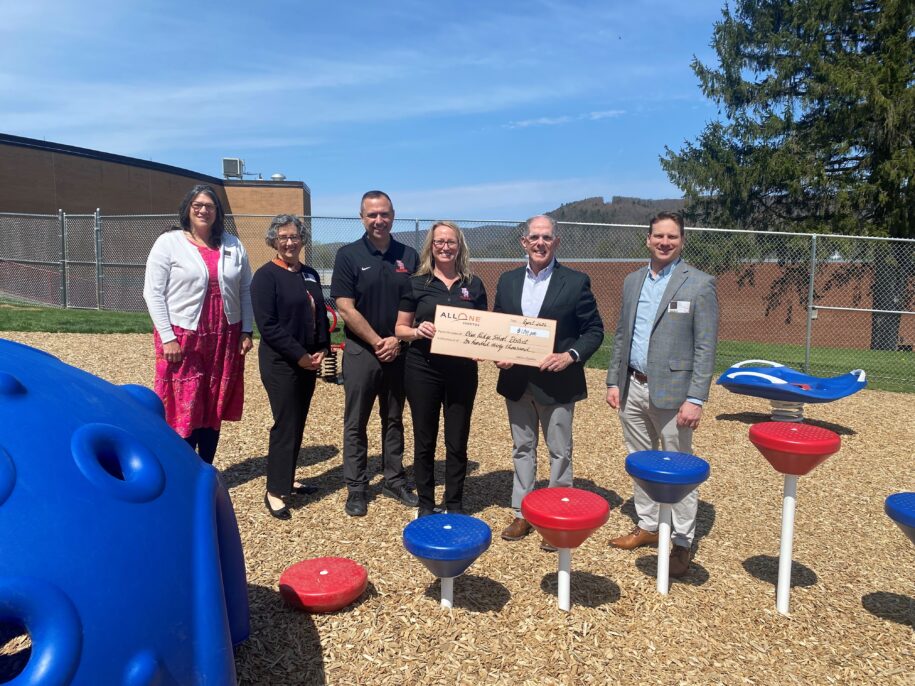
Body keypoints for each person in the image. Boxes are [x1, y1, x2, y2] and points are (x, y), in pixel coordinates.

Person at [606, 211, 719, 578]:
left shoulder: (699, 284)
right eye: (658, 236)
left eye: (672, 237)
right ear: (648, 239)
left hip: (674, 394)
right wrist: (613, 381)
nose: (664, 242)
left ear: (682, 240)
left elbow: (705, 347)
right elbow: (622, 336)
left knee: (678, 468)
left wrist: (696, 398)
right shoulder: (632, 281)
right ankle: (649, 527)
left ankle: (682, 543)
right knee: (640, 464)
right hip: (633, 386)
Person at [493, 215, 604, 550]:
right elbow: (499, 325)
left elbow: (594, 330)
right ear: (524, 242)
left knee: (559, 451)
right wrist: (499, 351)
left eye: (547, 237)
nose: (540, 243)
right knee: (522, 448)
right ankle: (521, 512)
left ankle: (556, 516)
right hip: (516, 381)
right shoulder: (508, 280)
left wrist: (569, 355)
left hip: (557, 381)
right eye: (534, 237)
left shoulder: (575, 281)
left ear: (557, 242)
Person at [143, 184, 253, 463]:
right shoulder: (169, 242)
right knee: (183, 403)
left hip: (224, 334)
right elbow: (153, 292)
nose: (204, 210)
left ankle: (206, 467)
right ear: (188, 209)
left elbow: (245, 290)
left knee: (212, 401)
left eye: (210, 206)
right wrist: (167, 337)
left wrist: (246, 330)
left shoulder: (232, 244)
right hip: (183, 334)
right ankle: (181, 467)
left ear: (218, 211)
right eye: (198, 205)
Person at [330, 190, 419, 516]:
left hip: (399, 350)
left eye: (384, 214)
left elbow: (417, 303)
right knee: (356, 421)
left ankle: (394, 478)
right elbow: (344, 306)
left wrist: (396, 341)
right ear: (362, 217)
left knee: (394, 417)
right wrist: (378, 341)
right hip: (361, 350)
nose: (379, 220)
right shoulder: (349, 255)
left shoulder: (409, 256)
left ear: (393, 216)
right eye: (372, 215)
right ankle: (357, 487)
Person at [395, 221, 488, 517]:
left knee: (457, 439)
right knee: (425, 439)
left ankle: (455, 502)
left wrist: (480, 349)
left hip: (461, 372)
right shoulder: (416, 282)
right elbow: (399, 329)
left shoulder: (473, 284)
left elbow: (484, 330)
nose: (445, 247)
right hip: (422, 368)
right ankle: (425, 502)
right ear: (431, 247)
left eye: (450, 242)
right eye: (439, 242)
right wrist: (418, 331)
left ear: (459, 245)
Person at [251, 215, 330, 520]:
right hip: (280, 361)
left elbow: (320, 311)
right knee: (285, 423)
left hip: (309, 359)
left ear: (302, 239)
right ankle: (274, 490)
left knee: (298, 421)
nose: (289, 242)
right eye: (283, 237)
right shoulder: (266, 276)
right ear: (274, 240)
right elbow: (268, 326)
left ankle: (288, 478)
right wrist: (298, 354)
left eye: (294, 236)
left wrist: (322, 346)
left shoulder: (309, 273)